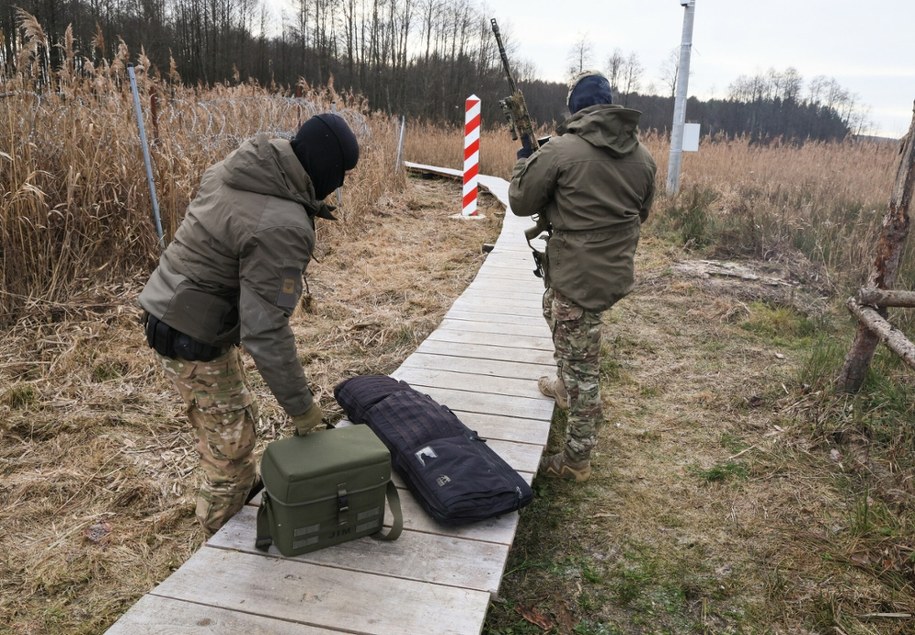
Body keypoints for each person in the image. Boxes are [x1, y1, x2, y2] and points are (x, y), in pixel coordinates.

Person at [138, 113, 359, 533]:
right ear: (323, 164)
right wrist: (304, 412)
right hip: (193, 335)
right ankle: (217, 561)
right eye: (340, 173)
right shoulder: (284, 224)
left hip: (169, 306)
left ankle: (242, 507)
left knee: (234, 420)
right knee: (231, 464)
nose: (340, 184)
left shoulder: (240, 167)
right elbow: (265, 329)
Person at [508, 71, 656, 482]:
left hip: (576, 275)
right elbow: (641, 212)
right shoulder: (643, 157)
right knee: (555, 315)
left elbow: (521, 201)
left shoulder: (561, 150)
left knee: (584, 371)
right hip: (607, 271)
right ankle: (563, 383)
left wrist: (524, 163)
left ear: (576, 107)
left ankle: (576, 461)